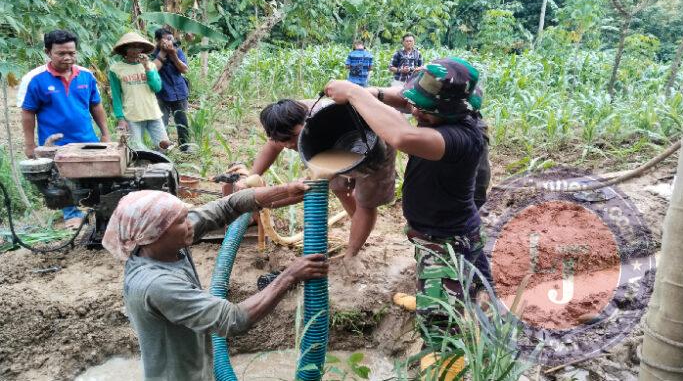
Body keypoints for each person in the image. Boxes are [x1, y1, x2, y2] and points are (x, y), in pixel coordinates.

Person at [324, 57, 493, 374]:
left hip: (449, 246)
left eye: (423, 110)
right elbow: (403, 99)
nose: (414, 111)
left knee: (444, 325)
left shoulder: (462, 138)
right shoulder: (448, 109)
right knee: (431, 275)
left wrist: (355, 93)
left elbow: (402, 137)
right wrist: (369, 92)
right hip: (431, 234)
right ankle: (431, 298)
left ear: (449, 112)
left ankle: (445, 363)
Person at [102, 183, 328, 381]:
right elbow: (234, 320)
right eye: (181, 221)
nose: (189, 223)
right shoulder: (157, 285)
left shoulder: (163, 246)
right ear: (153, 234)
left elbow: (228, 207)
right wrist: (289, 276)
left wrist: (283, 191)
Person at [233, 99, 396, 269]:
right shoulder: (285, 121)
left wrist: (264, 199)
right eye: (283, 140)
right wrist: (251, 177)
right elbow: (273, 146)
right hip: (332, 145)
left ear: (307, 120)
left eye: (293, 137)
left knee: (366, 202)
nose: (289, 144)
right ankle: (359, 229)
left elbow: (309, 188)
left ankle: (352, 254)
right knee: (340, 187)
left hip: (375, 143)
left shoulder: (324, 118)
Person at [18, 30, 111, 229]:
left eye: (71, 52)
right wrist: (30, 144)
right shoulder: (36, 79)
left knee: (96, 176)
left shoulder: (86, 76)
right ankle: (72, 214)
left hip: (87, 139)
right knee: (63, 180)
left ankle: (97, 209)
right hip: (56, 143)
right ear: (48, 52)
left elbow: (96, 105)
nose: (67, 57)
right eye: (61, 53)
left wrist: (105, 133)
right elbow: (28, 113)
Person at [108, 32, 173, 152]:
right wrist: (120, 119)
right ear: (125, 49)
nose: (135, 50)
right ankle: (141, 169)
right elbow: (116, 96)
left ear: (142, 49)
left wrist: (147, 68)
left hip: (152, 112)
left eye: (138, 47)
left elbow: (157, 88)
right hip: (132, 115)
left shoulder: (151, 66)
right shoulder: (116, 69)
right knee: (136, 150)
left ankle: (161, 168)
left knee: (164, 146)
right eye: (131, 47)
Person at [152, 28, 191, 152]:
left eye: (171, 38)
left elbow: (184, 69)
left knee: (182, 122)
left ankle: (185, 147)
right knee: (161, 123)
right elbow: (153, 70)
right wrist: (163, 53)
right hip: (161, 93)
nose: (170, 41)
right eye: (166, 39)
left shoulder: (177, 51)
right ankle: (162, 149)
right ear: (158, 40)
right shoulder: (153, 53)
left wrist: (173, 55)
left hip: (179, 91)